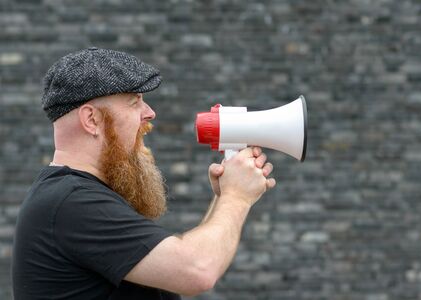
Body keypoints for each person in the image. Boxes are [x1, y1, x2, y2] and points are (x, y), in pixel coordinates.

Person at [11, 47, 276, 299]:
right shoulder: (72, 203)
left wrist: (223, 197)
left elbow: (177, 265)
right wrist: (236, 198)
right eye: (133, 101)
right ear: (91, 120)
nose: (149, 113)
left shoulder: (70, 198)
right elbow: (196, 270)